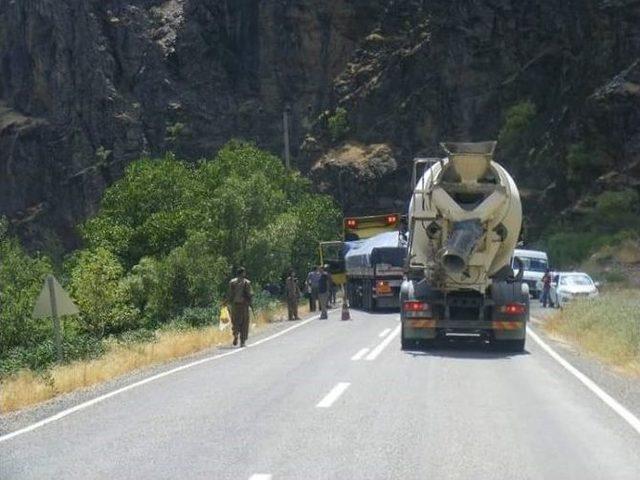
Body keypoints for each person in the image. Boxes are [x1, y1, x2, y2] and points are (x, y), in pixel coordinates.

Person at [227, 267, 253, 347]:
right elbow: (249, 294)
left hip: (234, 305)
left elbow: (230, 294)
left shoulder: (232, 282)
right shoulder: (247, 282)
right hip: (244, 305)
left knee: (235, 322)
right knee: (244, 323)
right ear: (243, 273)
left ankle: (235, 334)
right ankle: (242, 341)